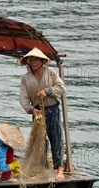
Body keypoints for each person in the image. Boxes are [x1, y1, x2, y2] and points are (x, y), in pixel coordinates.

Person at [19, 48, 66, 179]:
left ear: (42, 61)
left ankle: (59, 169)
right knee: (40, 142)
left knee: (56, 139)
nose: (33, 62)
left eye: (35, 59)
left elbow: (62, 88)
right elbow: (23, 98)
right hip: (38, 112)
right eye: (30, 59)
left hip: (52, 110)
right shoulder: (25, 78)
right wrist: (31, 110)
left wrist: (47, 91)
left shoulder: (50, 73)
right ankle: (42, 168)